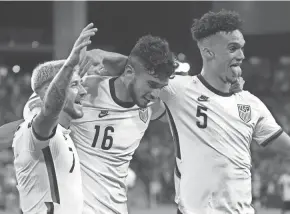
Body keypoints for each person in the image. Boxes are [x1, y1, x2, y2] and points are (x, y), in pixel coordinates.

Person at [74, 10, 290, 214]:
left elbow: (284, 145)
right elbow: (139, 69)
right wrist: (103, 55)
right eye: (233, 48)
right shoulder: (178, 89)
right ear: (208, 51)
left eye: (242, 47)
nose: (242, 55)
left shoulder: (252, 104)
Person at [22, 34, 176, 214]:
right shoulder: (85, 89)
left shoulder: (151, 106)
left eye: (160, 87)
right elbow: (39, 102)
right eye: (151, 84)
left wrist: (107, 56)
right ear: (128, 73)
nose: (155, 94)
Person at [12, 23, 97, 214]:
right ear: (47, 91)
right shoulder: (34, 132)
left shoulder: (62, 133)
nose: (83, 91)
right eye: (75, 84)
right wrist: (69, 65)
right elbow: (50, 109)